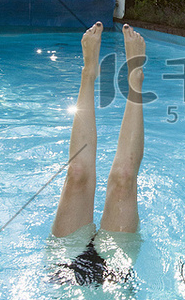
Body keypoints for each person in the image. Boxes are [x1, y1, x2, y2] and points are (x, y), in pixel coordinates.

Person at [51, 22, 145, 284]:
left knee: (118, 178)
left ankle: (129, 77)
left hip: (90, 274)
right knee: (80, 175)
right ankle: (91, 72)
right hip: (88, 282)